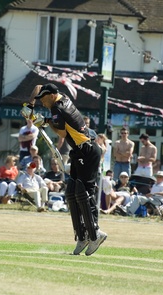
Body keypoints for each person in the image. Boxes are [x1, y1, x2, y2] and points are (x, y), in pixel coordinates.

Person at [27, 83, 106, 256]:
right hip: (79, 150)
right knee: (71, 193)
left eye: (43, 99)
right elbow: (39, 86)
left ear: (51, 95)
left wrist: (40, 119)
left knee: (84, 193)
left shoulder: (58, 107)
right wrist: (36, 111)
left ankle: (95, 233)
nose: (42, 103)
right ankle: (82, 235)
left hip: (87, 150)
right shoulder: (62, 98)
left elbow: (61, 133)